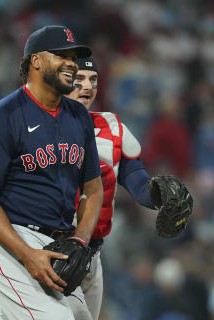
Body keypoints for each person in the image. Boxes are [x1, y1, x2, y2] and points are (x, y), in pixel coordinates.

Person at [0, 25, 103, 320]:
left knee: (80, 316)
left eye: (74, 57)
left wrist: (80, 239)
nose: (71, 63)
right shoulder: (2, 117)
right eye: (62, 55)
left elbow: (93, 189)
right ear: (36, 61)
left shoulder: (78, 116)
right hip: (7, 236)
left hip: (57, 241)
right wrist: (27, 255)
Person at [65, 56, 156, 320]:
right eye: (78, 79)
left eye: (92, 80)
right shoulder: (37, 127)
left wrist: (159, 196)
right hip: (52, 246)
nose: (87, 86)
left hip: (92, 253)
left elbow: (136, 179)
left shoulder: (112, 126)